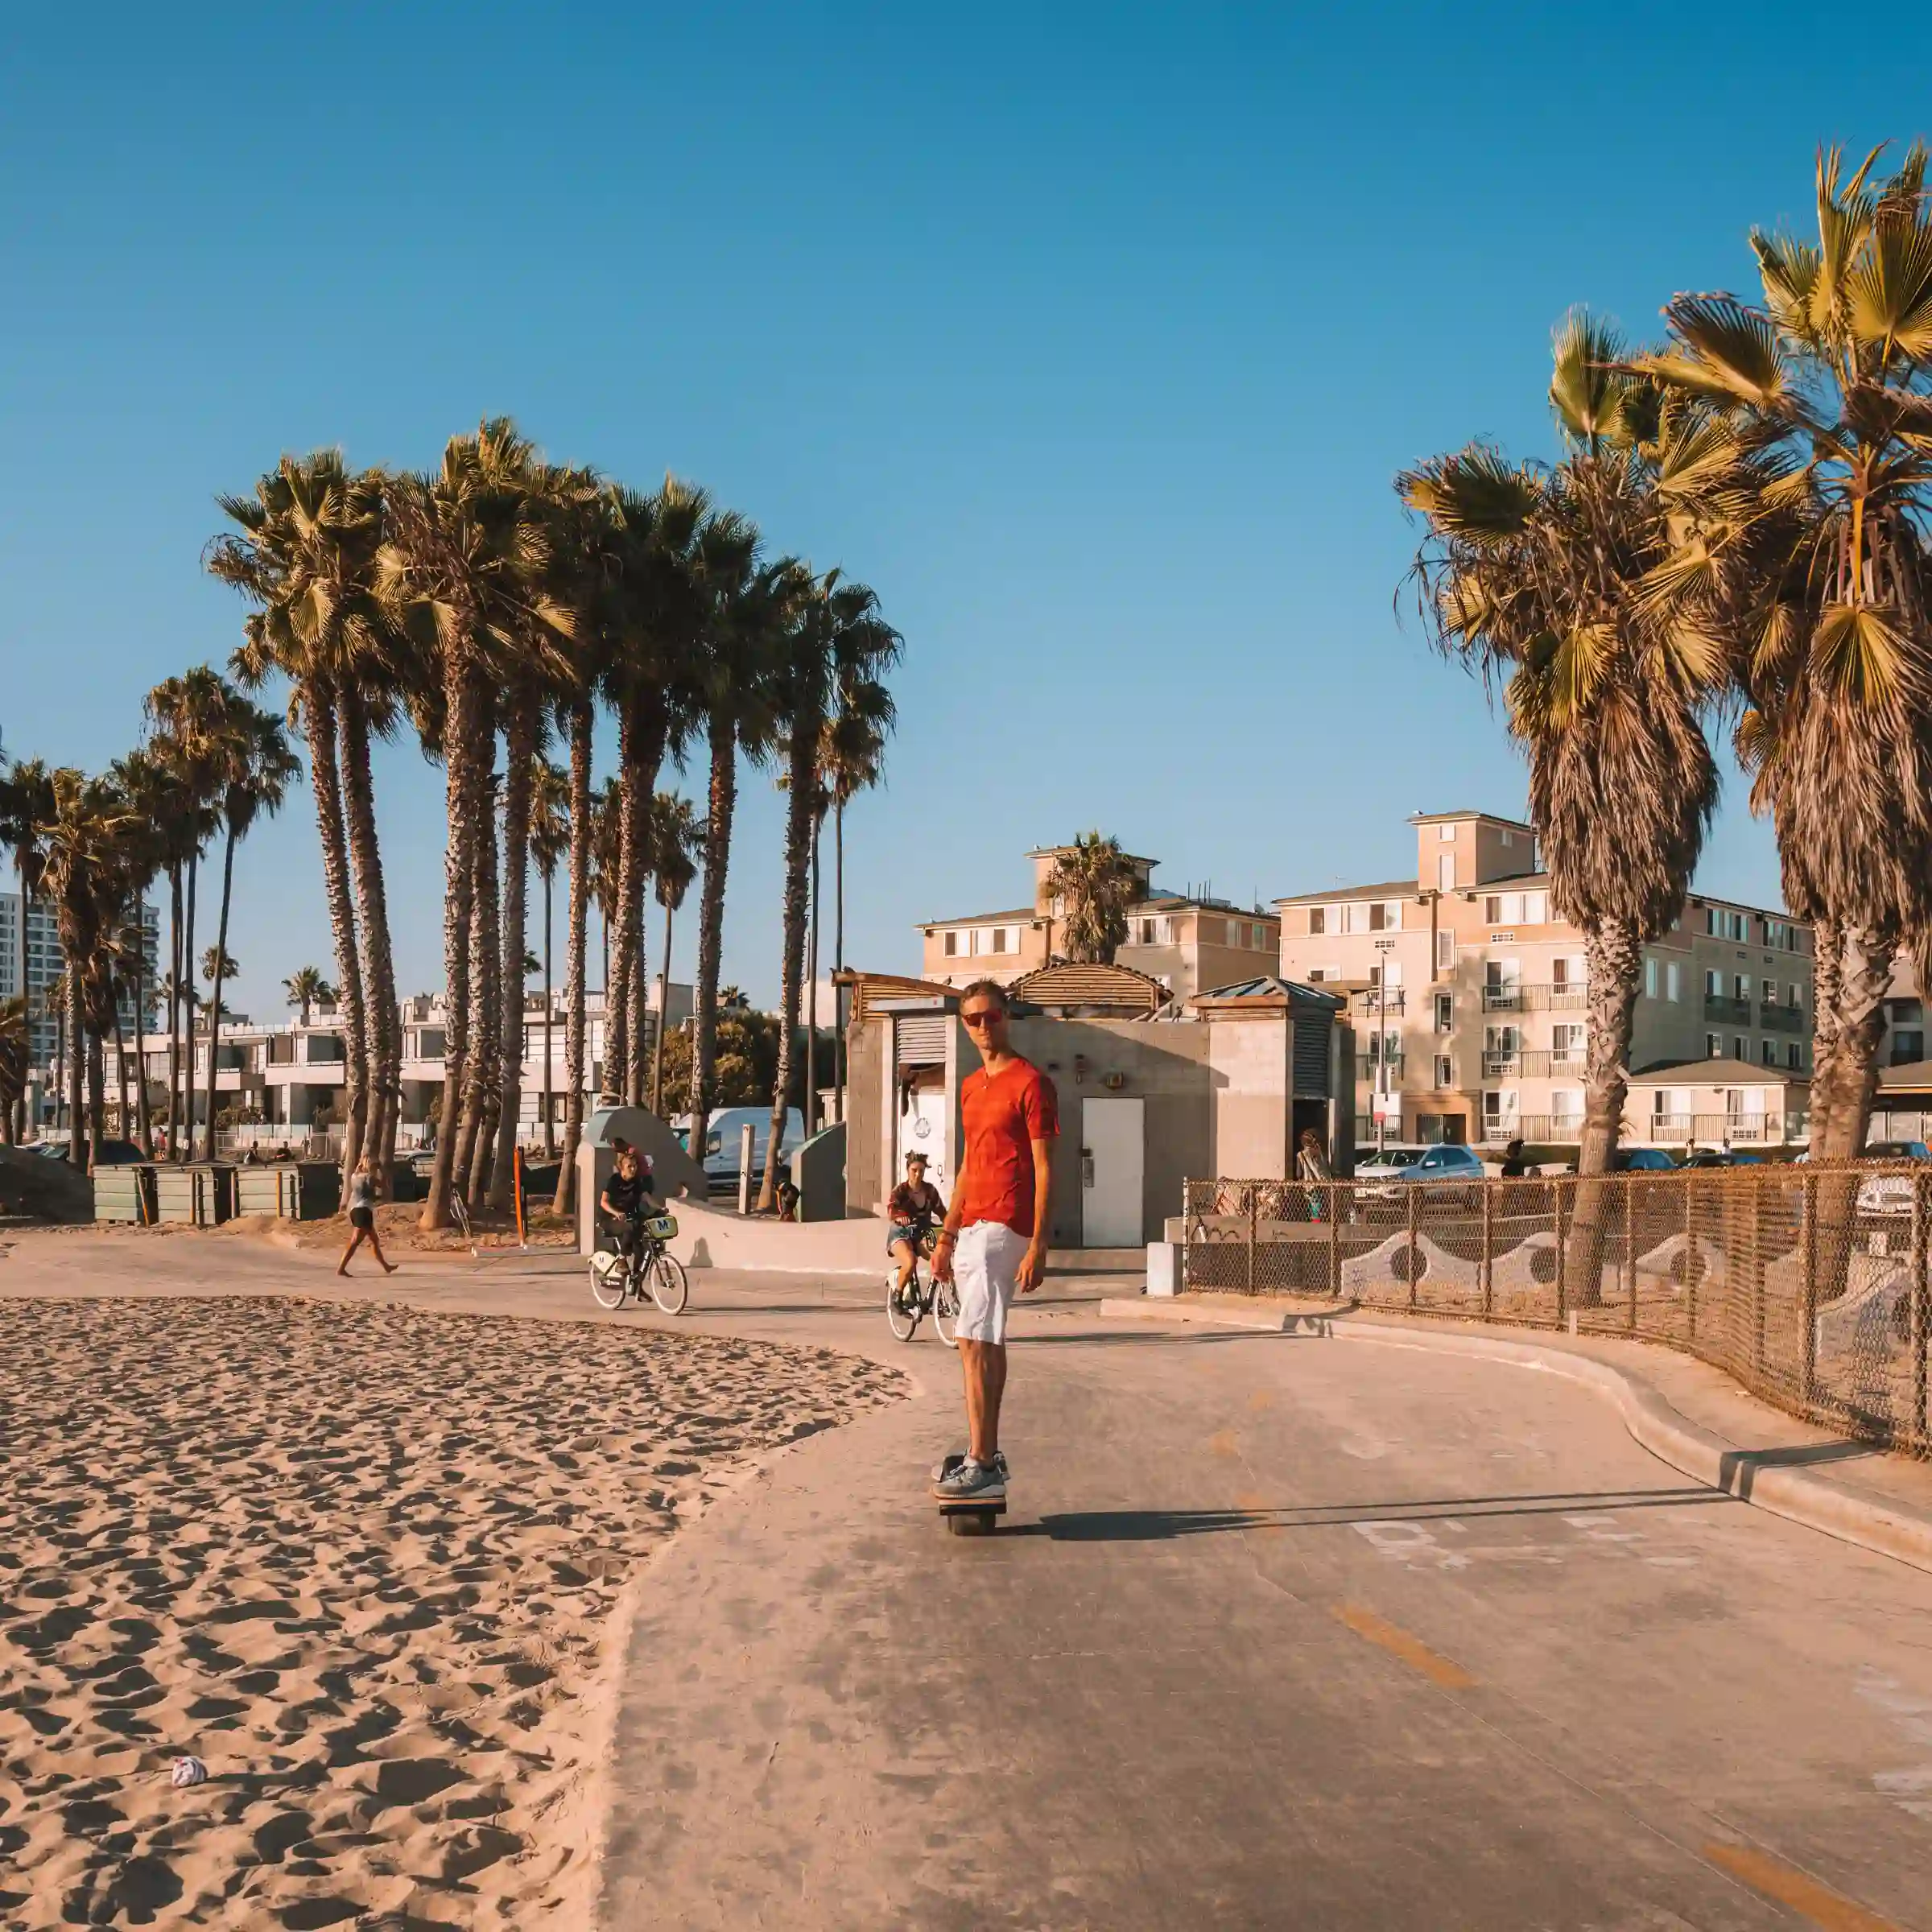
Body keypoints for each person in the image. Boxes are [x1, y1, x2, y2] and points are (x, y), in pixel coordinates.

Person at [931, 980, 1057, 1503]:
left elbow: (1044, 1167)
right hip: (971, 1226)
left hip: (1005, 1225)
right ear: (965, 1026)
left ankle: (980, 1462)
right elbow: (967, 1165)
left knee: (974, 1340)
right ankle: (987, 1452)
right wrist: (946, 1234)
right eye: (973, 1019)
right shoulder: (970, 1086)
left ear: (1007, 1017)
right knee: (984, 1340)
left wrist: (1039, 1244)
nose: (984, 1026)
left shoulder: (1031, 1082)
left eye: (992, 1016)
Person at [887, 1151, 946, 1311]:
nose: (918, 1174)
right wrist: (900, 1217)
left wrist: (952, 1225)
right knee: (910, 1261)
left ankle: (931, 1299)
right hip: (901, 1233)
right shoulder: (900, 1191)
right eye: (914, 1170)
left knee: (940, 1258)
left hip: (921, 1233)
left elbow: (942, 1212)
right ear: (908, 1170)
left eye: (921, 1170)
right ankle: (897, 1295)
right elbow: (891, 1210)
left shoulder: (930, 1191)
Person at [599, 1145, 658, 1278]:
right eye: (629, 1166)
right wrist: (616, 1213)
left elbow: (647, 1198)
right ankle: (621, 1258)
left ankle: (637, 1283)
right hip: (611, 1219)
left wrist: (660, 1208)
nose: (633, 1169)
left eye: (635, 1166)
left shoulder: (637, 1182)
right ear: (622, 1168)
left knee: (641, 1250)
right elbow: (604, 1202)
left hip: (630, 1218)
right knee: (629, 1227)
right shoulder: (613, 1181)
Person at [337, 1155, 398, 1277]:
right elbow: (385, 1186)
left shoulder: (354, 1176)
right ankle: (341, 1269)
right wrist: (382, 1171)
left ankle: (386, 1266)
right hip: (363, 1210)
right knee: (355, 1241)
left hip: (354, 1209)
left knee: (374, 1240)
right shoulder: (369, 1177)